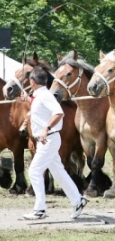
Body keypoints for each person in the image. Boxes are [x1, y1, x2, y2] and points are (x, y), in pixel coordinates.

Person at [21, 66, 88, 220]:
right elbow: (40, 107)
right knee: (59, 172)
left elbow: (59, 113)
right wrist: (28, 98)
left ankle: (40, 209)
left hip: (48, 139)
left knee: (34, 171)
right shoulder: (40, 96)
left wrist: (46, 128)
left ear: (32, 81)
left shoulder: (45, 96)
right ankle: (78, 201)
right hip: (47, 140)